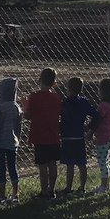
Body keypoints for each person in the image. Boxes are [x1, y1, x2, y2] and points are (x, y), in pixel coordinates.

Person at [25, 68, 64, 198]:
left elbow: (28, 115)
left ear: (40, 79)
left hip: (39, 136)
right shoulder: (56, 97)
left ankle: (44, 191)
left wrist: (25, 105)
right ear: (54, 83)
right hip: (53, 135)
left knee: (42, 165)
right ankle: (51, 189)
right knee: (52, 163)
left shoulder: (34, 97)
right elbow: (59, 112)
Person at [61, 77, 99, 194]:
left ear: (68, 89)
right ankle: (82, 187)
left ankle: (68, 188)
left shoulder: (65, 103)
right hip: (79, 136)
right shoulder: (83, 102)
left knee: (70, 164)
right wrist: (90, 127)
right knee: (82, 163)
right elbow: (96, 115)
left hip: (67, 137)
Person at [0, 76, 21, 203]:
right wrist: (18, 138)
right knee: (12, 167)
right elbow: (18, 126)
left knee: (1, 168)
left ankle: (2, 194)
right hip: (12, 141)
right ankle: (15, 194)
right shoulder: (15, 107)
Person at [92, 77, 110, 193]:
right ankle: (105, 185)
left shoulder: (103, 106)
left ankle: (104, 186)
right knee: (105, 161)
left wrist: (90, 131)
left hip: (103, 138)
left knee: (102, 162)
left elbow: (97, 120)